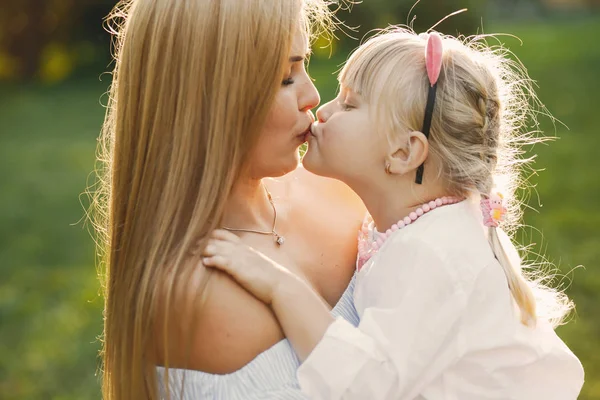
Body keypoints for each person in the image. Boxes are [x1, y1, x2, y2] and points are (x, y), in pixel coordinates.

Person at [202, 29, 585, 399]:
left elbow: (364, 386)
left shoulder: (431, 253)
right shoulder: (428, 227)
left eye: (350, 105)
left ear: (403, 154)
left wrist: (281, 286)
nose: (322, 109)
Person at [92, 0, 365, 398]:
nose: (312, 95)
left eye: (304, 64)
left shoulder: (342, 188)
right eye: (285, 77)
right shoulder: (199, 296)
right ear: (206, 100)